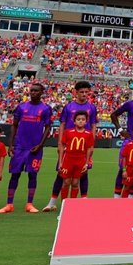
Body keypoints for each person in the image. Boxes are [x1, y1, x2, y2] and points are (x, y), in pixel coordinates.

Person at [0, 83, 53, 214]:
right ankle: (9, 204)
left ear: (41, 92)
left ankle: (29, 204)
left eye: (36, 91)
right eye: (31, 90)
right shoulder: (21, 107)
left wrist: (40, 145)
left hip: (34, 148)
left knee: (33, 175)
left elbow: (48, 127)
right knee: (14, 174)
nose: (33, 93)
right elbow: (14, 126)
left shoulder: (45, 109)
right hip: (20, 147)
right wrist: (11, 144)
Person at [43, 80, 98, 212]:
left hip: (83, 146)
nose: (84, 94)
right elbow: (62, 124)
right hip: (68, 146)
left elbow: (93, 125)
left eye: (86, 92)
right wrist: (59, 142)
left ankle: (82, 200)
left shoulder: (92, 108)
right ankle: (52, 202)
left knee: (83, 174)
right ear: (76, 93)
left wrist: (92, 144)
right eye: (81, 92)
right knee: (61, 174)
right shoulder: (69, 107)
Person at [57, 111, 95, 202]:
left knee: (75, 183)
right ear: (74, 121)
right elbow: (62, 146)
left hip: (80, 160)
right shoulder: (68, 132)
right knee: (66, 182)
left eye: (83, 119)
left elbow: (89, 149)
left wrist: (87, 163)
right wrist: (60, 162)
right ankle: (64, 203)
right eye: (78, 119)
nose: (81, 121)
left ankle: (72, 204)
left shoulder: (89, 134)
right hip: (68, 159)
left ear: (86, 122)